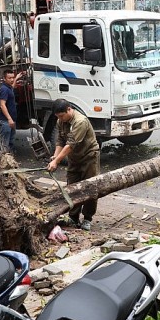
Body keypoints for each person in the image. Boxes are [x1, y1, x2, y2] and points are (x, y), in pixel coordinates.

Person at [47, 99, 100, 230]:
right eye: (58, 117)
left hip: (88, 157)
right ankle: (73, 217)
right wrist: (55, 156)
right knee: (72, 187)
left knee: (90, 187)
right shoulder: (61, 121)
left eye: (62, 116)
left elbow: (71, 144)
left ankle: (87, 218)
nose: (60, 119)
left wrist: (57, 161)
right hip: (74, 158)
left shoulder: (80, 121)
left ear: (69, 110)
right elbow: (60, 140)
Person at [0, 69, 18, 153]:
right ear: (4, 79)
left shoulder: (9, 88)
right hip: (6, 121)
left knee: (10, 142)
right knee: (4, 144)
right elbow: (2, 105)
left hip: (11, 120)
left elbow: (12, 87)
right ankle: (3, 158)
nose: (12, 80)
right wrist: (9, 119)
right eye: (9, 78)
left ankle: (9, 158)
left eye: (13, 77)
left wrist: (17, 78)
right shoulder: (4, 89)